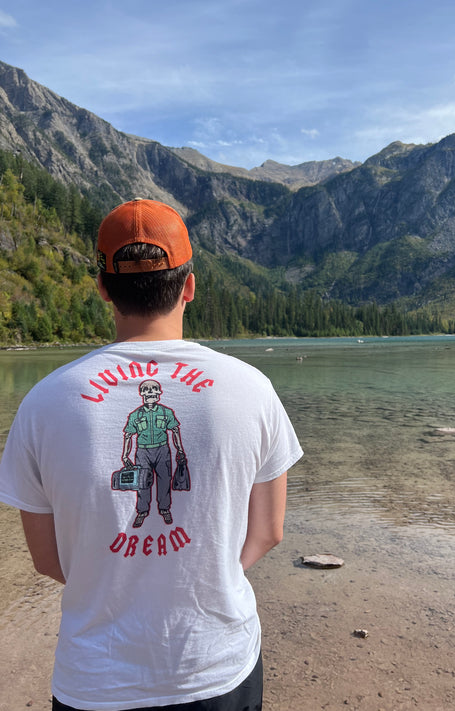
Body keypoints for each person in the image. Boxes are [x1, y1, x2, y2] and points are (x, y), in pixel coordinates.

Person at [0, 198, 303, 711]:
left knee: (158, 493)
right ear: (190, 286)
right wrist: (210, 574)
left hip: (94, 682)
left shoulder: (44, 402)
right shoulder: (251, 389)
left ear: (103, 288)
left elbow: (48, 559)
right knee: (145, 492)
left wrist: (112, 581)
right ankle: (149, 512)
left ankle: (154, 512)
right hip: (217, 670)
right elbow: (269, 532)